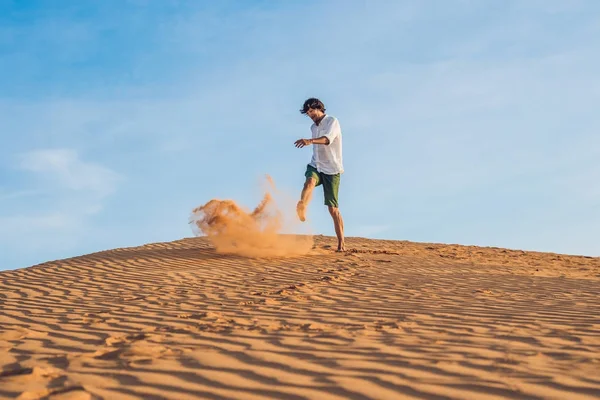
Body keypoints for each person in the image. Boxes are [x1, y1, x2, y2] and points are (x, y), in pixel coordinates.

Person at [294, 98, 345, 252]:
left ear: (319, 108)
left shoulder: (332, 121)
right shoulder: (313, 127)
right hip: (316, 164)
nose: (310, 115)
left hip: (332, 169)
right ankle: (302, 205)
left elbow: (327, 140)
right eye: (308, 113)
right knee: (309, 182)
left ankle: (341, 243)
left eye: (312, 111)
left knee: (333, 209)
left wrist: (310, 141)